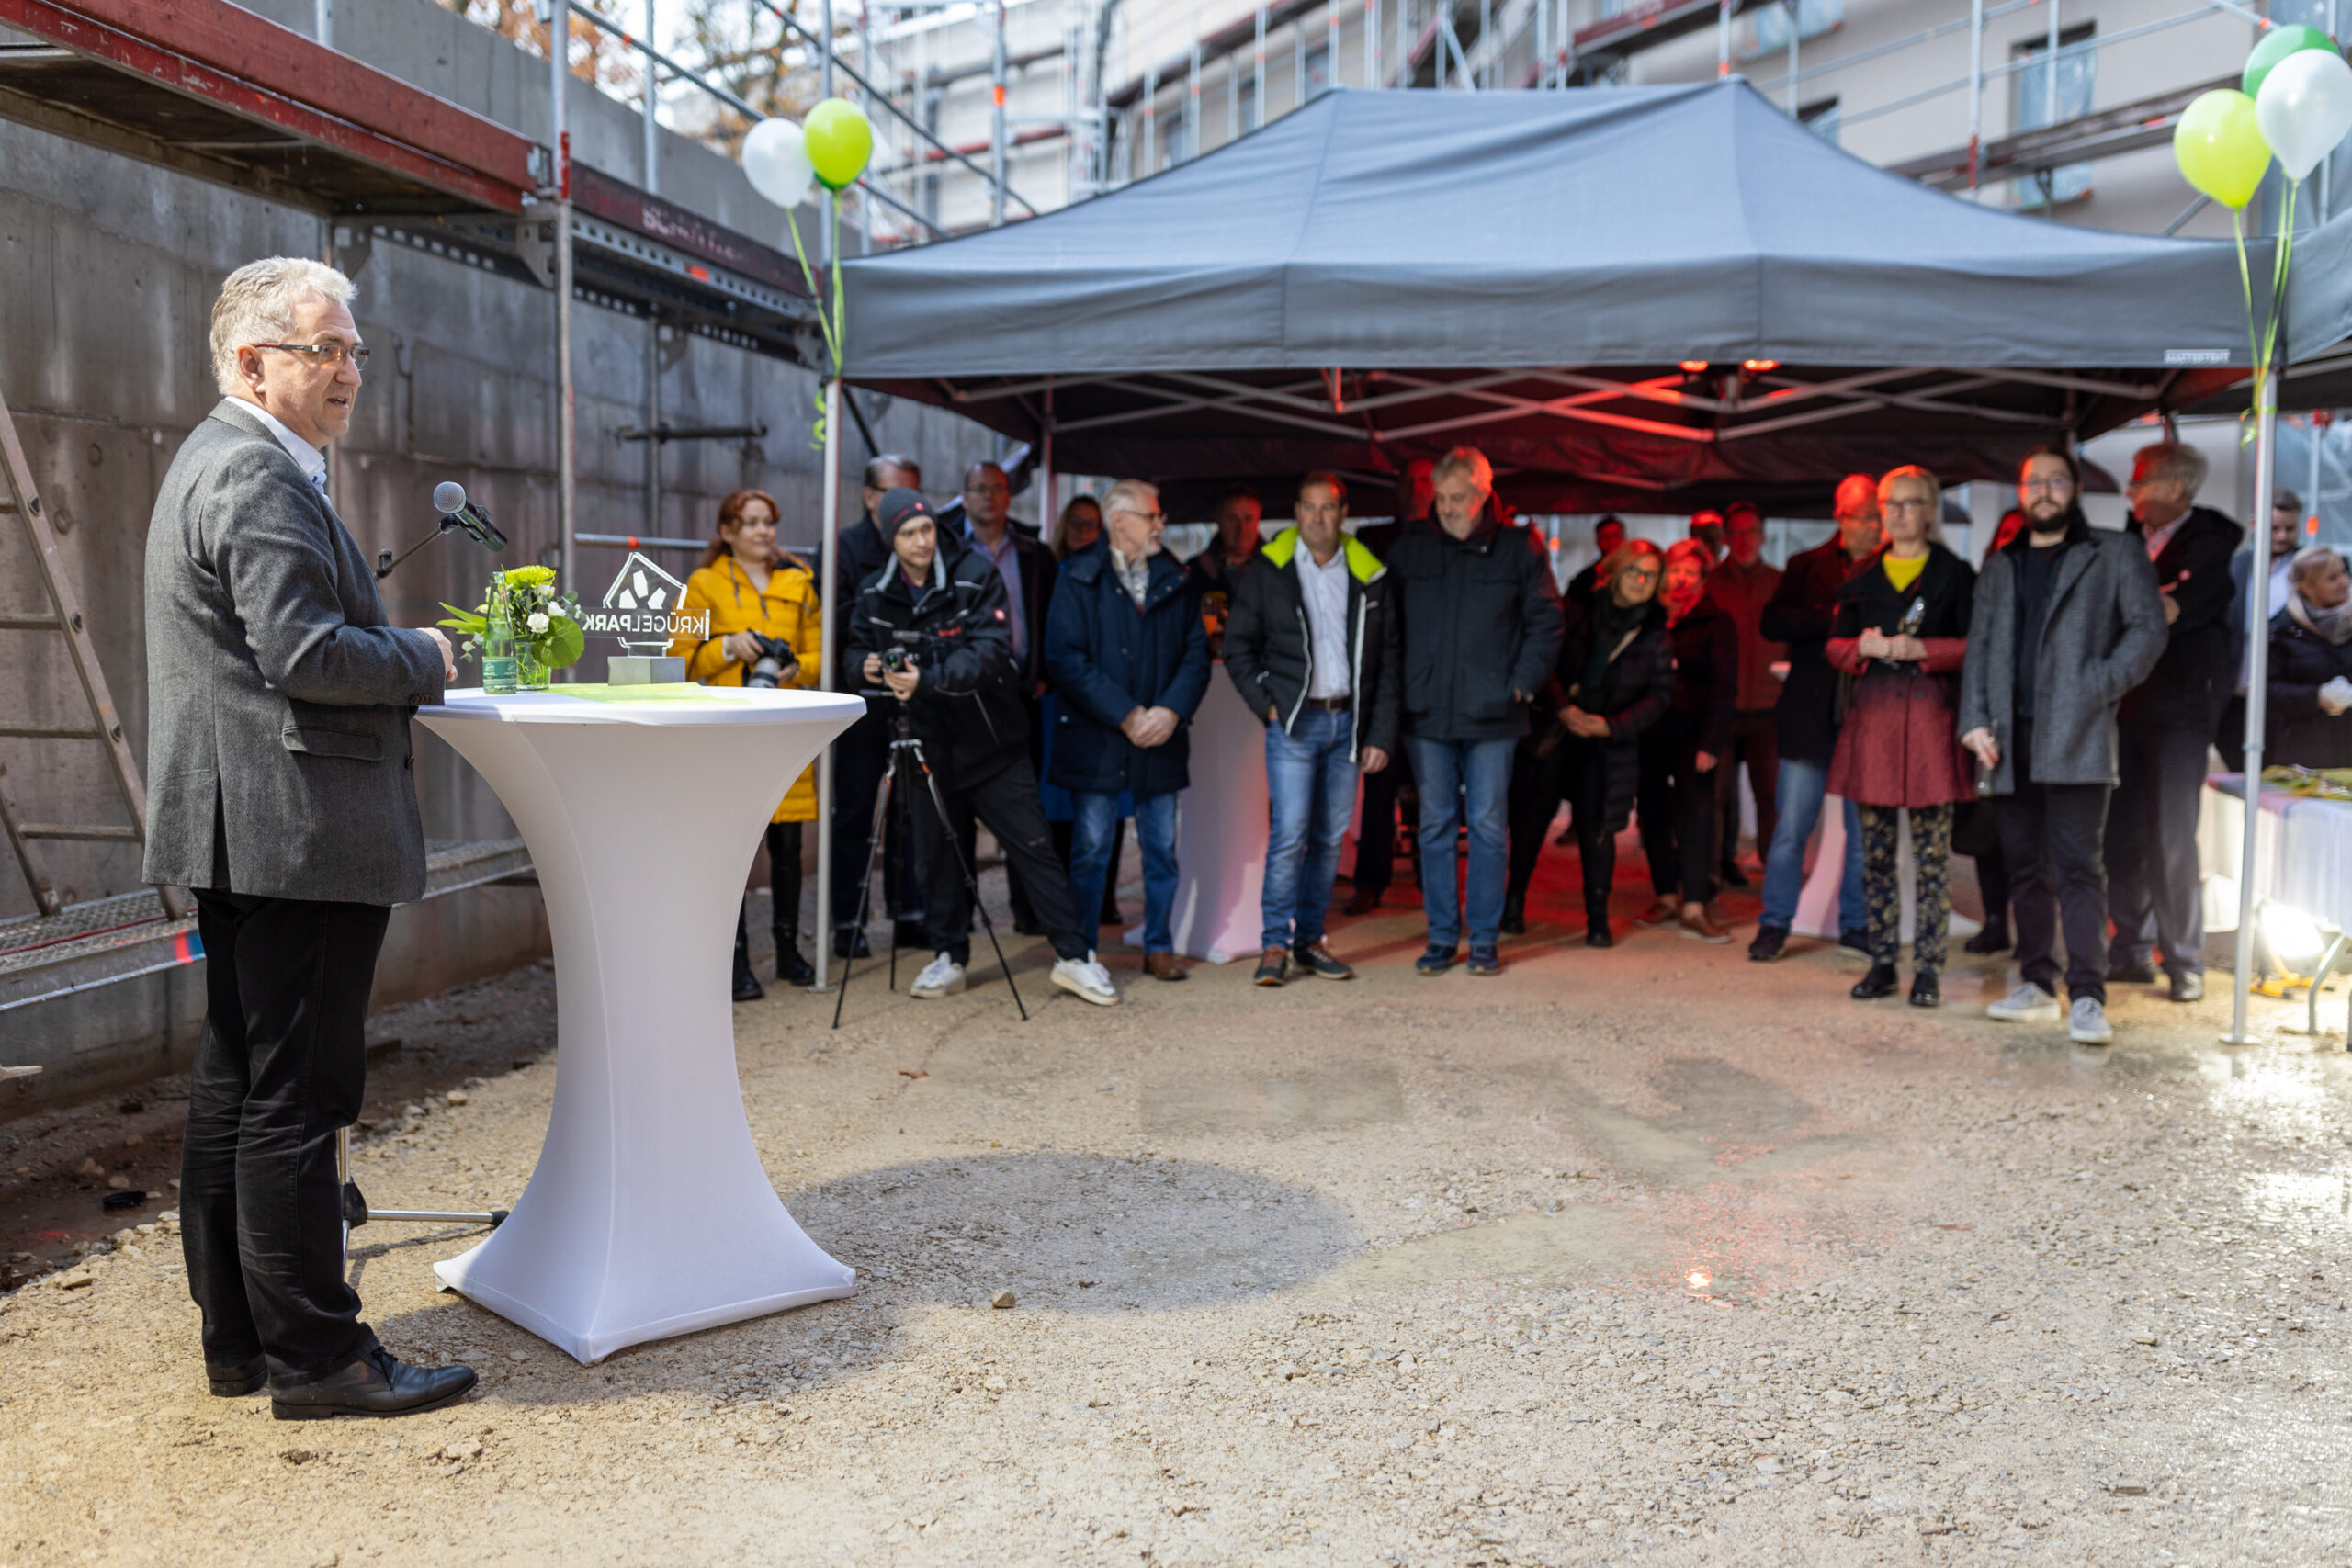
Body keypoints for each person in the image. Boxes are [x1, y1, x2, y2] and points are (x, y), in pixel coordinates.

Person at [144, 256, 473, 1418]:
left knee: (241, 1085)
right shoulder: (256, 475)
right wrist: (426, 659)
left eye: (354, 350)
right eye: (324, 350)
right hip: (296, 830)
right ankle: (322, 1361)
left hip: (256, 826)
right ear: (252, 361)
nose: (349, 371)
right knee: (297, 1096)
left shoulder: (224, 459)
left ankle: (242, 1343)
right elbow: (307, 653)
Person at [847, 489, 1119, 1007]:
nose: (921, 540)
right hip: (923, 749)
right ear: (891, 540)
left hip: (993, 745)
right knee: (935, 858)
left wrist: (925, 679)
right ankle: (950, 956)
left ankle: (1075, 958)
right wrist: (865, 667)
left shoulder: (974, 572)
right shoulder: (872, 593)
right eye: (907, 533)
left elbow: (993, 654)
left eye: (925, 528)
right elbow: (854, 650)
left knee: (1035, 850)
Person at [1960, 446, 2166, 1045]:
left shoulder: (2113, 552)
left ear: (2074, 488)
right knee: (2025, 868)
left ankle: (2087, 996)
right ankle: (2035, 985)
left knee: (2079, 867)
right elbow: (1979, 649)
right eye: (2033, 483)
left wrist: (2098, 685)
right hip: (2008, 740)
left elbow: (2149, 630)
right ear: (2021, 493)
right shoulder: (2002, 565)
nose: (2044, 491)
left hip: (2077, 735)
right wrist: (1973, 719)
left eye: (2055, 481)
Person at [1386, 446, 1564, 976]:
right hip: (1426, 713)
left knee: (1487, 827)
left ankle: (1484, 938)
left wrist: (1520, 686)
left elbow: (1547, 621)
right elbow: (1387, 629)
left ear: (1484, 496)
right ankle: (1442, 938)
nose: (1447, 507)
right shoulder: (1410, 549)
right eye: (1440, 498)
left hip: (1494, 715)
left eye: (1458, 498)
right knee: (1434, 827)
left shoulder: (1519, 548)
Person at [1225, 472, 1398, 985]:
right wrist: (1269, 706)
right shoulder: (1271, 570)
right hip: (1296, 724)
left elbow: (1389, 659)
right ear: (1296, 512)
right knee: (1289, 836)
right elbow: (1238, 646)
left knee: (1329, 839)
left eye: (1328, 509)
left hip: (1349, 722)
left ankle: (1310, 941)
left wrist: (1380, 733)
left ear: (1344, 514)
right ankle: (1274, 944)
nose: (1318, 518)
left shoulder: (1369, 573)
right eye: (1309, 507)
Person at [1044, 479, 1212, 981]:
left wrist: (1169, 712)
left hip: (1160, 739)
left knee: (1162, 848)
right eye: (1152, 516)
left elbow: (1196, 656)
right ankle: (1083, 952)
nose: (1161, 524)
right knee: (1091, 850)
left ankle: (1158, 945)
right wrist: (1127, 714)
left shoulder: (1176, 577)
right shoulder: (1077, 575)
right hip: (1099, 739)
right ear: (1120, 522)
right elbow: (1064, 658)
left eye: (1159, 517)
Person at [1825, 468, 1976, 1009]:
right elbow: (1833, 645)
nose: (1900, 513)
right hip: (1875, 730)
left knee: (1933, 860)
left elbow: (1974, 644)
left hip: (1931, 730)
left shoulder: (1956, 575)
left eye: (1911, 503)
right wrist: (1859, 650)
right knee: (1877, 856)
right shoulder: (1861, 574)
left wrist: (1925, 652)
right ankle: (1882, 958)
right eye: (1891, 503)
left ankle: (1929, 967)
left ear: (1930, 509)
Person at [2103, 442, 2240, 1002]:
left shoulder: (2211, 548)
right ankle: (2132, 949)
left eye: (2140, 482)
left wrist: (2144, 605)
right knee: (2122, 834)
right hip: (2125, 707)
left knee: (2172, 837)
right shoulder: (2128, 540)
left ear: (2176, 488)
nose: (2130, 492)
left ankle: (2184, 960)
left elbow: (2164, 612)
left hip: (2182, 712)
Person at [673, 490, 822, 998]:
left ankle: (788, 952)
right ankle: (734, 963)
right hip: (728, 735)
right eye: (752, 523)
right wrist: (725, 648)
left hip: (785, 731)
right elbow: (680, 661)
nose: (764, 532)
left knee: (788, 852)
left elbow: (820, 652)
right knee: (731, 853)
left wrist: (795, 669)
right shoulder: (703, 584)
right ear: (728, 532)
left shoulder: (799, 582)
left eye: (769, 523)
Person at [1749, 475, 1880, 963]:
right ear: (1842, 517)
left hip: (1865, 716)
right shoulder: (1806, 566)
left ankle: (1857, 923)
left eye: (1879, 518)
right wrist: (1834, 621)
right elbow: (1773, 621)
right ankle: (1774, 922)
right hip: (1808, 714)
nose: (1876, 527)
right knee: (1790, 832)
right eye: (1867, 517)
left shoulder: (1892, 569)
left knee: (1863, 834)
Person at [1552, 541, 1675, 946]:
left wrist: (1610, 726)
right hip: (1558, 727)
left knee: (1598, 827)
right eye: (1634, 571)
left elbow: (1659, 696)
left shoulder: (1656, 632)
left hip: (1610, 742)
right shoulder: (1579, 611)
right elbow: (1548, 661)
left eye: (1650, 575)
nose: (1641, 581)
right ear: (1615, 572)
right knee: (1531, 815)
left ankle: (1597, 919)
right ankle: (1513, 905)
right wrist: (1564, 708)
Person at [960, 460, 1061, 934]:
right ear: (964, 495)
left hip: (1024, 694)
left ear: (1009, 496)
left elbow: (1048, 618)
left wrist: (1042, 673)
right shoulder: (948, 549)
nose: (988, 497)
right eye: (980, 488)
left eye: (997, 488)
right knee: (959, 812)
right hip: (964, 699)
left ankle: (1029, 912)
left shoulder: (1034, 553)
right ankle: (959, 922)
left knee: (1027, 810)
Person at [831, 453, 925, 959]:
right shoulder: (845, 547)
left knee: (910, 809)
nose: (905, 507)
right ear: (869, 497)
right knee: (855, 810)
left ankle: (909, 913)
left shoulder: (926, 549)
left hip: (909, 694)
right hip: (860, 697)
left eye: (914, 494)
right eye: (893, 494)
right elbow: (839, 620)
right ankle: (847, 920)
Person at [1635, 539, 1739, 942]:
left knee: (1697, 817)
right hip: (1649, 731)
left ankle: (1695, 904)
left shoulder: (1717, 621)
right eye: (1676, 570)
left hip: (1695, 735)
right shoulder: (1651, 617)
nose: (1681, 579)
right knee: (1654, 816)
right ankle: (1664, 897)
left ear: (1702, 578)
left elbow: (1724, 687)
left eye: (1690, 572)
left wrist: (1712, 744)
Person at [1344, 457, 1435, 915]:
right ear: (1398, 490)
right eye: (1409, 480)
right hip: (1387, 681)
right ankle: (1370, 882)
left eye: (1424, 480)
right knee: (1379, 789)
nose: (1416, 488)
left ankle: (1429, 879)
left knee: (1431, 788)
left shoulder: (1450, 539)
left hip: (1435, 685)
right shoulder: (1371, 539)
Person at [1041, 492, 1124, 922]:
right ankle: (1062, 904)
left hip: (1102, 704)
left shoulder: (1113, 573)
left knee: (1107, 808)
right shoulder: (1049, 567)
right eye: (1077, 522)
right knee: (1059, 810)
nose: (1084, 531)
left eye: (1093, 524)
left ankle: (1101, 900)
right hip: (1058, 701)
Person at [1709, 502, 1783, 888]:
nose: (1744, 540)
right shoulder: (1710, 583)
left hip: (1769, 710)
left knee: (1769, 797)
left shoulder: (1781, 583)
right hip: (1722, 709)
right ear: (1725, 538)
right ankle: (1714, 873)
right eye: (1736, 533)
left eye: (1750, 531)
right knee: (1716, 796)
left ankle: (1775, 876)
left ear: (1763, 535)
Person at [2220, 488, 2302, 771]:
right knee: (2239, 768)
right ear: (2255, 525)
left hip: (2287, 693)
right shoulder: (2236, 565)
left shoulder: (2306, 566)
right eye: (2274, 528)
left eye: (2290, 529)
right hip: (2237, 691)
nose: (2282, 536)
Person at [2265, 545, 2352, 767]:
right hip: (2303, 751)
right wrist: (2316, 697)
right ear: (2307, 588)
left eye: (2344, 572)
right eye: (2333, 578)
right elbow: (2267, 689)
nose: (2344, 582)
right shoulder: (2281, 629)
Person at [1564, 515, 1630, 607]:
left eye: (1616, 535)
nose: (1611, 541)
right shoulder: (1585, 578)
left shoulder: (1637, 570)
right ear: (1597, 540)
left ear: (1625, 538)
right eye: (1605, 536)